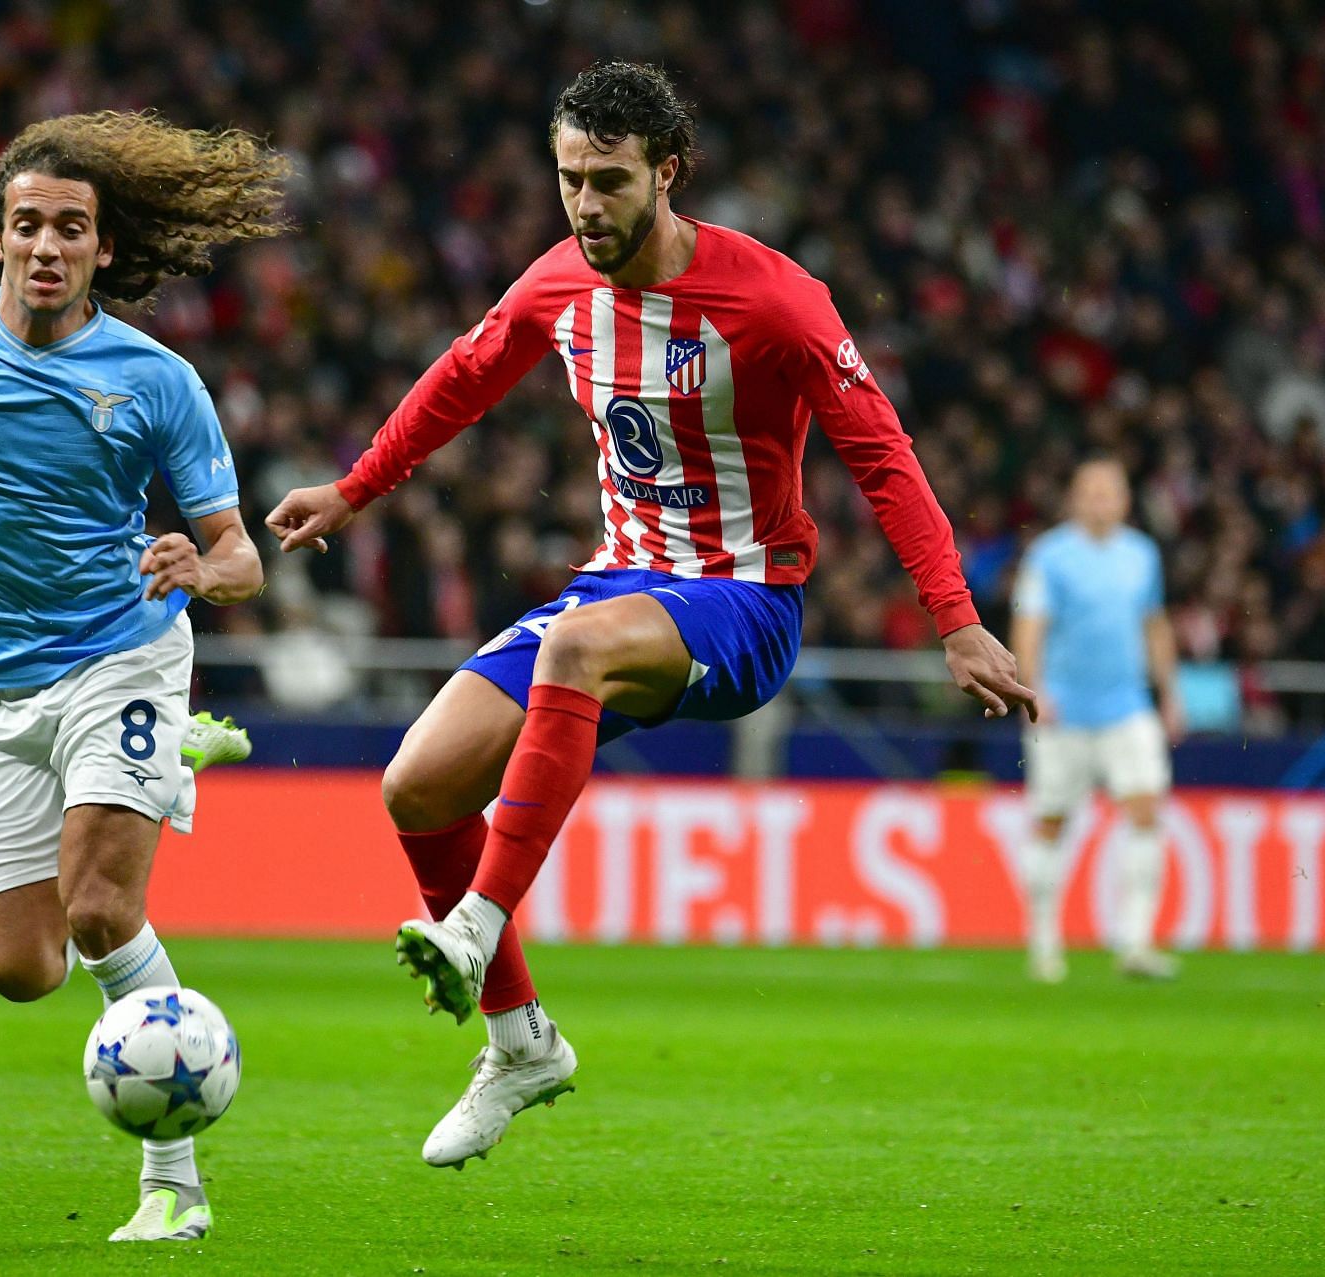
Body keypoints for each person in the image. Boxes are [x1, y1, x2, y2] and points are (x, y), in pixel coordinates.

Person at [266, 62, 1035, 1170]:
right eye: (570, 179)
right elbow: (463, 377)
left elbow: (883, 455)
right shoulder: (556, 283)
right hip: (619, 587)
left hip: (744, 601)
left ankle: (476, 926)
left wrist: (956, 618)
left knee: (575, 648)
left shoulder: (775, 300)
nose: (585, 205)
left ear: (667, 172)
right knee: (417, 785)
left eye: (610, 181)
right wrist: (354, 487)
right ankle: (522, 1042)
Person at [0, 110, 284, 1241]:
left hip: (123, 652)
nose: (48, 244)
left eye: (72, 228)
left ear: (102, 249)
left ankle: (174, 1185)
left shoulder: (156, 380)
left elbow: (237, 548)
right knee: (19, 967)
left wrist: (208, 562)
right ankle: (146, 779)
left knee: (101, 908)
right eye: (29, 223)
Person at [1010, 457, 1183, 983]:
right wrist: (1032, 691)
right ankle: (1043, 942)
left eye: (1109, 492)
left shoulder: (1142, 555)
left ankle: (1135, 942)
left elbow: (1154, 625)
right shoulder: (1049, 555)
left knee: (1146, 810)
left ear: (1125, 500)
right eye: (1090, 492)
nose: (1100, 501)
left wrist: (1169, 693)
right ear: (1074, 499)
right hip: (1063, 708)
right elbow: (1029, 624)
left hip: (1127, 706)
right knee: (1052, 821)